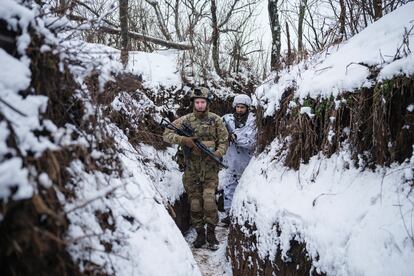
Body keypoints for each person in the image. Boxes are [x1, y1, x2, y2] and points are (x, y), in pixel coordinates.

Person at [163, 87, 228, 250]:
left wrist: (219, 153)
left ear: (207, 103)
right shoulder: (185, 120)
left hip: (210, 169)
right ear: (193, 103)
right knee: (194, 203)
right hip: (191, 169)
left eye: (202, 102)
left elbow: (224, 139)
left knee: (208, 201)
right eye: (197, 102)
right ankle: (200, 234)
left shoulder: (216, 120)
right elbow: (166, 134)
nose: (200, 105)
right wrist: (184, 140)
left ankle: (211, 234)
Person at [219, 94, 257, 225]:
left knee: (246, 190)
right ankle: (229, 214)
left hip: (247, 162)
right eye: (238, 107)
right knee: (229, 187)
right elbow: (217, 132)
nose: (240, 109)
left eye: (242, 107)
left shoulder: (253, 121)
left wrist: (235, 137)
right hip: (231, 160)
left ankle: (244, 215)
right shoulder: (227, 119)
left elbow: (252, 142)